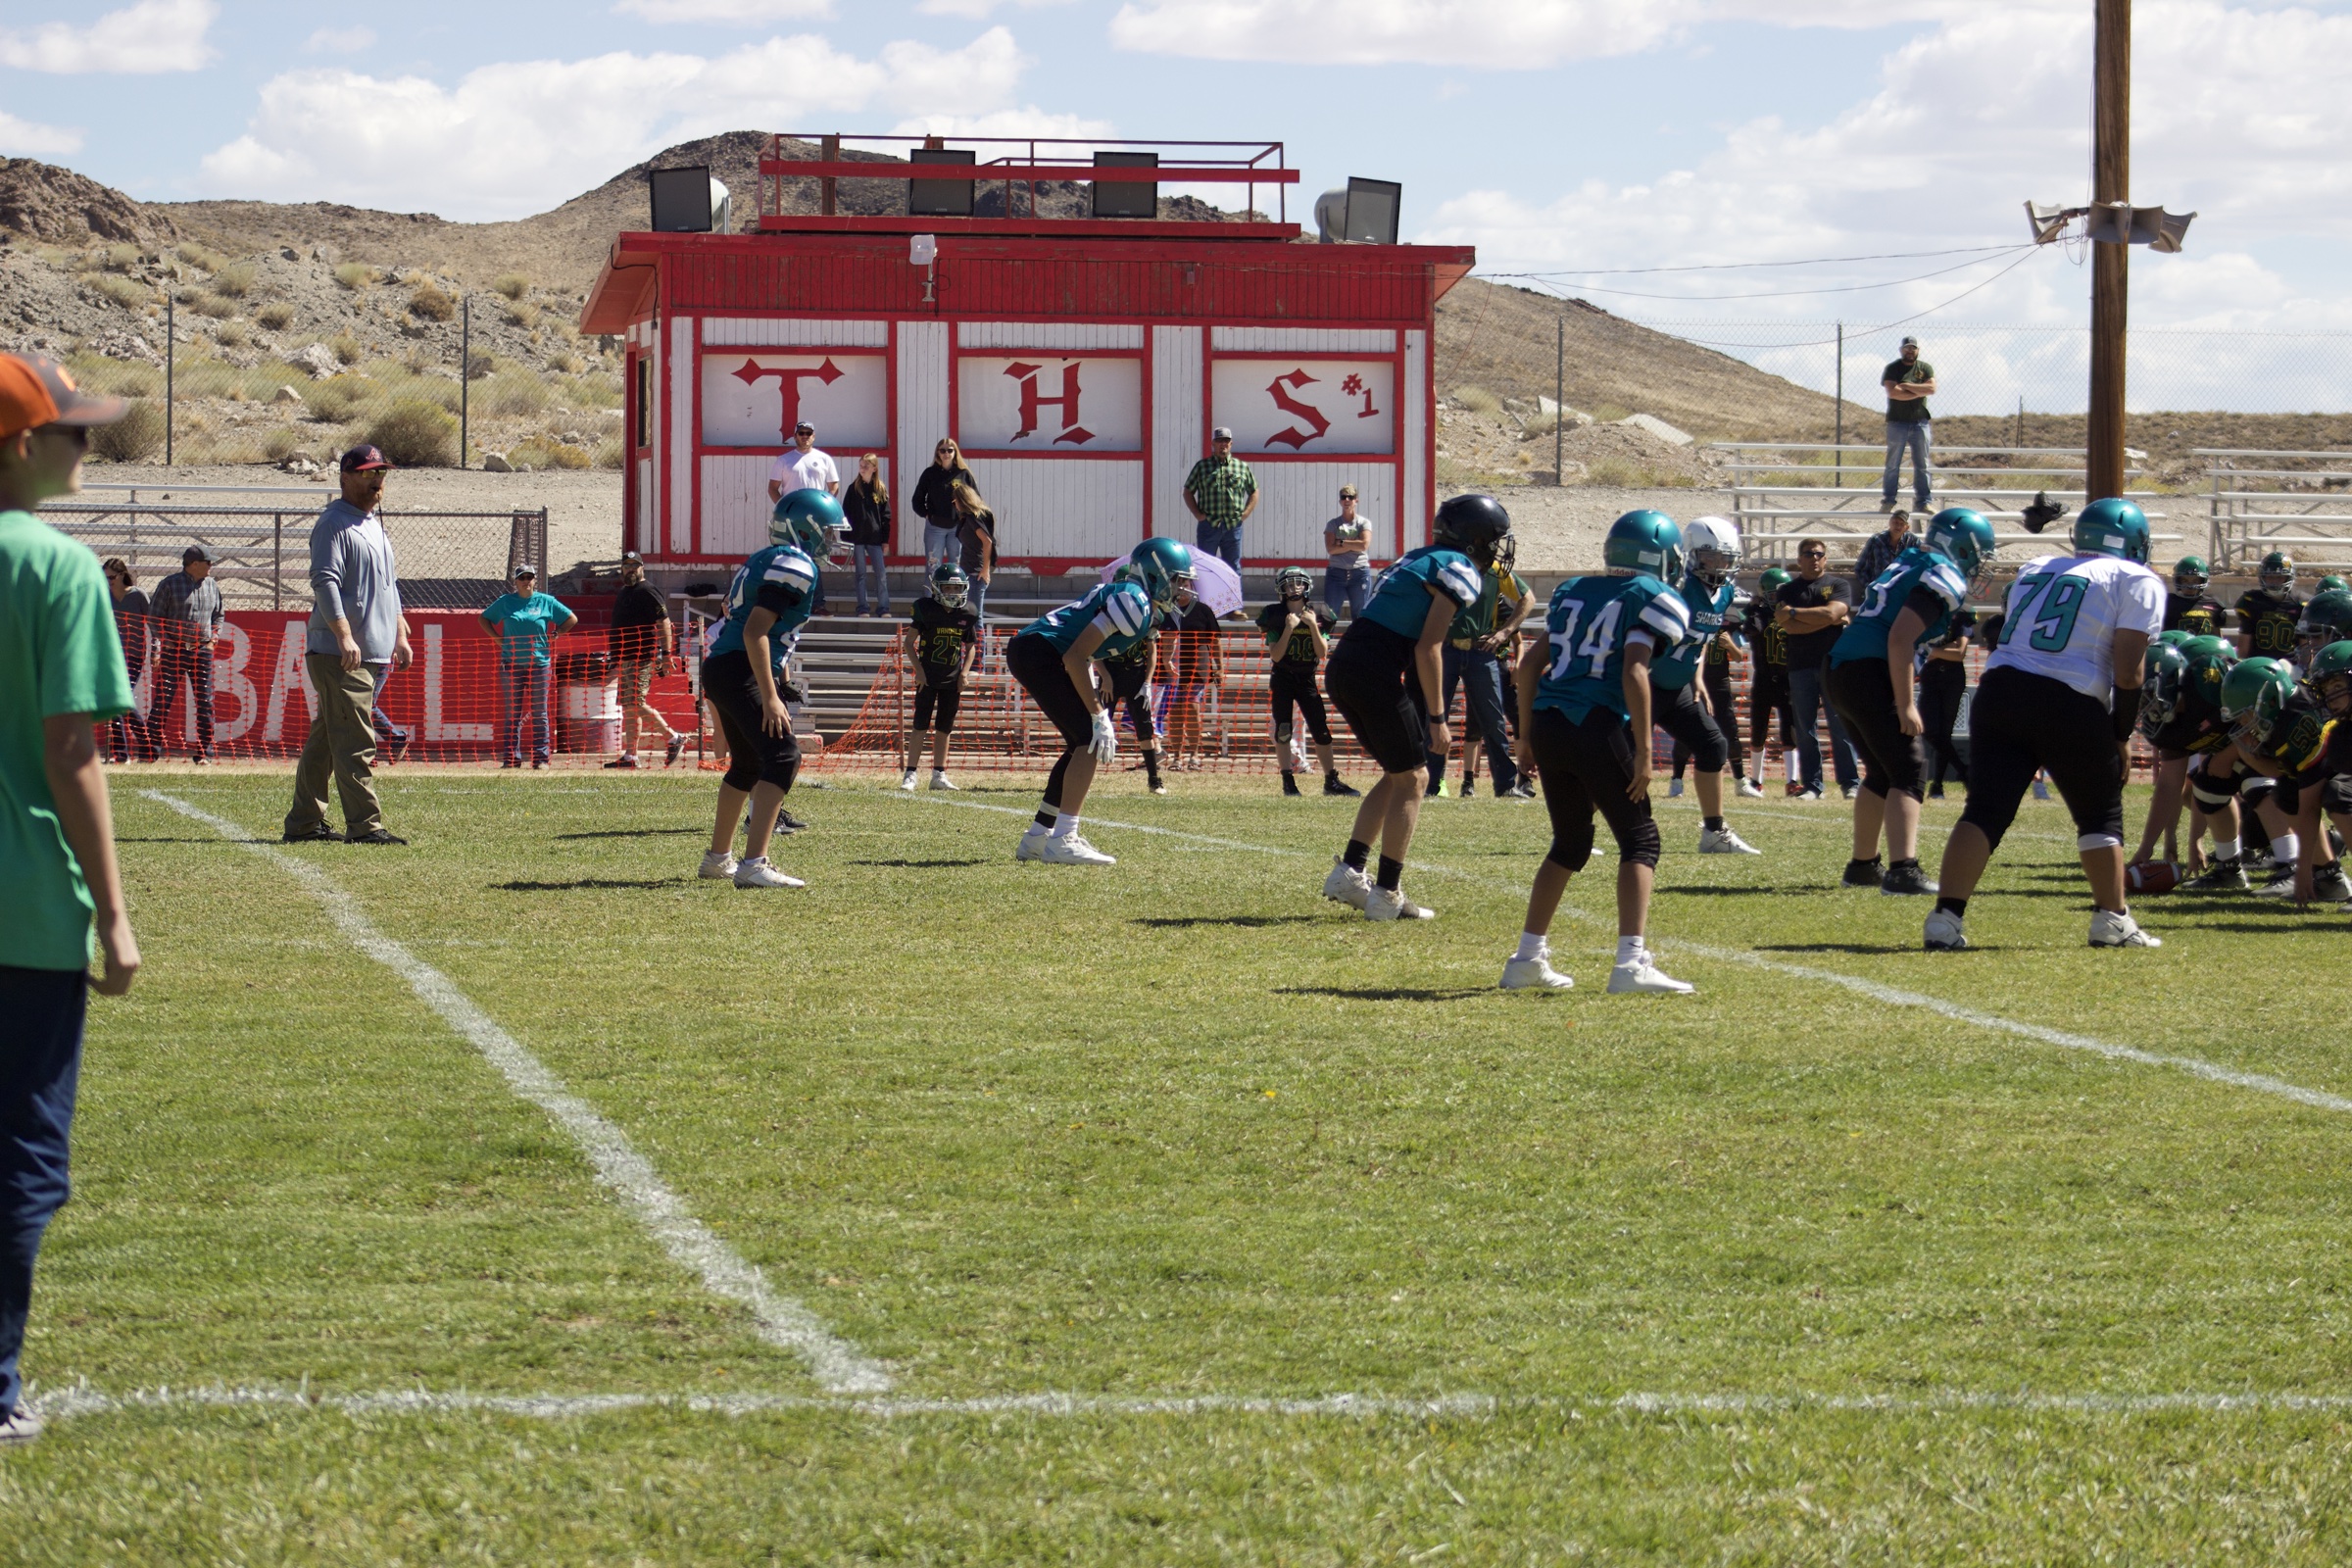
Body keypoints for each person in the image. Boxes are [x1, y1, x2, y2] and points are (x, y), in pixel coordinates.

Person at [0, 353, 140, 1446]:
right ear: (19, 446)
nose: (88, 447)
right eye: (75, 431)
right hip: (27, 912)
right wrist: (117, 914)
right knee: (21, 1159)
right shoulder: (56, 569)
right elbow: (70, 750)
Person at [1924, 498, 2166, 952]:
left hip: (2000, 689)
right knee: (2098, 815)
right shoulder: (2136, 578)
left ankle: (1944, 918)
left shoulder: (2037, 566)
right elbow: (2130, 672)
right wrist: (2120, 734)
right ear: (2133, 543)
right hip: (2068, 698)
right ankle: (2112, 920)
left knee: (1984, 810)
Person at [1498, 509, 1695, 996]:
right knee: (1641, 841)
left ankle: (1526, 959)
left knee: (1569, 845)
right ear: (1659, 558)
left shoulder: (1576, 590)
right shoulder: (1647, 596)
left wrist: (1524, 737)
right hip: (1595, 725)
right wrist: (1646, 751)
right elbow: (1634, 671)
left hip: (1550, 724)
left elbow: (1529, 667)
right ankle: (1631, 964)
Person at [1321, 494, 1509, 921]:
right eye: (1494, 540)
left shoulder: (1418, 557)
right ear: (1476, 539)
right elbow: (1429, 648)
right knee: (1416, 778)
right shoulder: (1459, 568)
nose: (1496, 549)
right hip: (1374, 670)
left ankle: (1349, 872)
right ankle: (1386, 893)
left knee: (1399, 774)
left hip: (1347, 664)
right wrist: (1439, 718)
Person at [1825, 507, 1993, 895]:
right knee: (1909, 769)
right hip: (1870, 668)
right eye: (1978, 554)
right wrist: (1905, 705)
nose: (1979, 564)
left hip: (1840, 665)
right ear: (1962, 548)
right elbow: (1900, 639)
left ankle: (1863, 866)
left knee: (1882, 771)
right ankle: (1903, 870)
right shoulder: (1942, 574)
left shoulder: (1912, 559)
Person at [1006, 539, 1194, 866]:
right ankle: (1063, 838)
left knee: (1079, 745)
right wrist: (1097, 714)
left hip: (1039, 651)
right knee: (1088, 740)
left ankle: (1038, 836)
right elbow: (1076, 656)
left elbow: (1081, 653)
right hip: (1040, 652)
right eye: (1177, 579)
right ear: (1156, 575)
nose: (1183, 588)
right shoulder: (1134, 601)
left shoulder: (1139, 602)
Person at [700, 492, 835, 889]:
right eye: (827, 531)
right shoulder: (796, 563)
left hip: (722, 665)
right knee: (783, 756)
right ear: (805, 530)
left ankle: (717, 859)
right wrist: (771, 695)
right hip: (740, 666)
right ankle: (754, 863)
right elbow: (755, 630)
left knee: (747, 765)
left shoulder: (766, 557)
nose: (832, 541)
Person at [284, 445, 411, 846]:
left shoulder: (374, 524)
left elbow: (389, 586)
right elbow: (324, 581)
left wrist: (400, 633)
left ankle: (304, 823)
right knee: (356, 742)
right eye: (368, 473)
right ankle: (365, 826)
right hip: (340, 654)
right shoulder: (333, 524)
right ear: (345, 477)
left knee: (325, 743)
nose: (377, 480)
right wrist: (343, 635)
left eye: (381, 473)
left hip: (369, 652)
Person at [1644, 515, 1760, 855]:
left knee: (1712, 745)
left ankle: (1713, 832)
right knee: (1618, 758)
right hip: (1644, 683)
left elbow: (1702, 639)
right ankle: (1578, 829)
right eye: (1711, 557)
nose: (1719, 565)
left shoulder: (1724, 593)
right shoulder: (1675, 588)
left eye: (1725, 558)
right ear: (1692, 554)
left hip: (1677, 687)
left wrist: (1696, 677)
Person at [2215, 655, 2352, 907]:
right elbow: (2288, 775)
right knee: (2287, 794)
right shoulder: (2284, 715)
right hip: (2336, 762)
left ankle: (2322, 871)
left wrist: (2302, 868)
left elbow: (2309, 806)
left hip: (2339, 766)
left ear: (2268, 700)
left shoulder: (2298, 721)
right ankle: (2329, 876)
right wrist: (2251, 758)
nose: (2243, 723)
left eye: (2246, 714)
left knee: (2339, 795)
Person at [2133, 635, 2241, 882]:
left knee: (2259, 787)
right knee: (2208, 787)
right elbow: (2170, 785)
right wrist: (2147, 847)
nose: (2144, 705)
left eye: (2148, 695)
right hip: (2233, 752)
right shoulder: (2169, 725)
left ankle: (2289, 862)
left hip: (2261, 748)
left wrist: (2195, 841)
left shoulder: (2207, 689)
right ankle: (2231, 865)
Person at [1435, 533, 1534, 801]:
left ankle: (1506, 785)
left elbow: (1527, 598)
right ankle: (1432, 783)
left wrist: (1504, 632)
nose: (1497, 548)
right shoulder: (1447, 566)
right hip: (1445, 648)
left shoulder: (1496, 570)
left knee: (1494, 721)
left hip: (1482, 651)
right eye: (1491, 541)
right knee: (1435, 716)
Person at [1257, 565, 1356, 798]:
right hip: (1283, 677)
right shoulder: (1275, 615)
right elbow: (1276, 656)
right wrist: (1289, 629)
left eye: (1298, 583)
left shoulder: (1319, 614)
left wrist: (1312, 625)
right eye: (1289, 584)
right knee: (1283, 730)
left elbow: (1322, 653)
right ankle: (1288, 781)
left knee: (1321, 730)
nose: (1294, 588)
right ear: (1282, 589)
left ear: (1306, 586)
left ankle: (1331, 781)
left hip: (1306, 679)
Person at [1774, 538, 1858, 799]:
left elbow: (1832, 613)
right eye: (1809, 554)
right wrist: (1827, 618)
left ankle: (1850, 783)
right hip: (1799, 666)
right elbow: (1789, 627)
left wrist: (1795, 613)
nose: (1814, 558)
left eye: (1819, 554)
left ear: (1826, 558)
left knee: (1840, 725)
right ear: (1799, 559)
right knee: (1805, 729)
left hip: (1833, 666)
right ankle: (1812, 785)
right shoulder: (1786, 590)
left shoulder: (1838, 585)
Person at [480, 565, 577, 769]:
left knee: (540, 713)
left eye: (529, 577)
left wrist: (557, 633)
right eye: (522, 578)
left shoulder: (546, 601)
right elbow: (484, 618)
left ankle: (541, 759)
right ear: (515, 581)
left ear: (534, 580)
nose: (526, 581)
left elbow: (571, 619)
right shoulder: (506, 602)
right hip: (512, 664)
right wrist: (498, 639)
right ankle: (511, 759)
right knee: (512, 714)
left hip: (539, 665)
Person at [901, 563, 980, 791]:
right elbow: (908, 643)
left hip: (952, 678)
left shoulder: (967, 612)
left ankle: (938, 775)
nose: (953, 593)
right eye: (948, 588)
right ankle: (910, 774)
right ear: (937, 588)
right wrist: (919, 671)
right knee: (920, 725)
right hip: (928, 677)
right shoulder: (926, 609)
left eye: (956, 588)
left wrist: (964, 673)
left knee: (944, 728)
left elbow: (971, 647)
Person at [143, 543, 223, 763]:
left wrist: (213, 638)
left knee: (205, 702)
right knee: (163, 701)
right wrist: (167, 642)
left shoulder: (212, 585)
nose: (211, 566)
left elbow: (219, 615)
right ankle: (150, 752)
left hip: (202, 650)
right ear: (194, 564)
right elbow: (154, 618)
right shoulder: (169, 584)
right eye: (208, 562)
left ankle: (204, 753)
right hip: (175, 650)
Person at [606, 551, 684, 770]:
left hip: (641, 657)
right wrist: (615, 657)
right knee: (629, 707)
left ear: (642, 568)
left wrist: (667, 654)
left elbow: (664, 621)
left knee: (636, 703)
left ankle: (673, 737)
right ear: (622, 569)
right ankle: (631, 756)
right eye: (627, 566)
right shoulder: (625, 591)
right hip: (624, 658)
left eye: (635, 565)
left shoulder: (648, 590)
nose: (631, 569)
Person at [768, 420, 840, 614]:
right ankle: (787, 603)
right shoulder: (784, 460)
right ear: (795, 436)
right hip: (791, 520)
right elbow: (773, 488)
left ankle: (817, 604)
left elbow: (834, 486)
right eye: (801, 433)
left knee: (814, 560)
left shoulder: (824, 459)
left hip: (816, 521)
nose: (805, 436)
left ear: (814, 436)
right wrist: (784, 509)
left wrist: (825, 510)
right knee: (788, 559)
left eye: (808, 433)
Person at [1159, 573, 1223, 769]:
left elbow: (1214, 640)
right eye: (1176, 583)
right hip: (1172, 669)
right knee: (1175, 712)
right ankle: (1177, 756)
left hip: (1197, 668)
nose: (1181, 587)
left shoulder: (1203, 610)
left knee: (1192, 709)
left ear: (1191, 585)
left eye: (1184, 583)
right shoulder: (1166, 610)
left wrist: (1219, 667)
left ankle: (1194, 754)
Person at [1742, 565, 1794, 794]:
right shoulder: (1759, 615)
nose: (1778, 599)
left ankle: (1792, 780)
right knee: (1758, 730)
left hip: (1787, 678)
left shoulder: (1794, 612)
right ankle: (1756, 779)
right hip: (1764, 678)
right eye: (1774, 595)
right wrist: (1752, 608)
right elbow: (1751, 628)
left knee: (1790, 731)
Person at [1918, 603, 1977, 799]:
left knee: (1945, 733)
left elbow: (1959, 652)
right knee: (1930, 731)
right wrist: (1941, 649)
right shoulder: (1925, 611)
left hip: (1952, 679)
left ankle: (1938, 785)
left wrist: (1932, 650)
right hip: (1930, 677)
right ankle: (1963, 770)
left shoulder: (1960, 615)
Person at [99, 558, 153, 764]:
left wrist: (156, 648)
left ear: (122, 575)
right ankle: (123, 753)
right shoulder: (105, 595)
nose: (108, 581)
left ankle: (144, 747)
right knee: (118, 702)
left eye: (112, 577)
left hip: (135, 655)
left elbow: (155, 623)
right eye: (105, 578)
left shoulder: (138, 595)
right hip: (113, 656)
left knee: (120, 699)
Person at [1183, 426, 1257, 569]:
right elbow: (1188, 491)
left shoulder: (1241, 467)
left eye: (1226, 441)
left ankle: (1233, 586)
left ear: (1231, 444)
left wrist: (1245, 514)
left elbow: (1254, 491)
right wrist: (1198, 515)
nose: (1223, 444)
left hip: (1233, 526)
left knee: (1232, 568)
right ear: (1213, 443)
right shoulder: (1202, 467)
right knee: (1204, 566)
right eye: (1219, 440)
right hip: (1209, 525)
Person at [1881, 334, 1935, 513]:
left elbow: (1931, 388)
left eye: (1913, 348)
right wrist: (1919, 391)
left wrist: (1906, 386)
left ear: (1917, 350)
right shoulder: (1893, 368)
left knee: (1922, 465)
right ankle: (1889, 500)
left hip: (1920, 423)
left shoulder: (1925, 368)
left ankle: (1924, 502)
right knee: (1893, 464)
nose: (1910, 351)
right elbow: (1893, 392)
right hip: (1897, 423)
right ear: (1901, 350)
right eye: (1907, 348)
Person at [910, 437, 972, 571]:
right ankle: (933, 587)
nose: (946, 453)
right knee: (933, 567)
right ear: (938, 453)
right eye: (942, 450)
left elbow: (974, 499)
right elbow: (917, 500)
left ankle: (955, 587)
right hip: (935, 527)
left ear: (955, 452)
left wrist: (967, 518)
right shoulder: (930, 473)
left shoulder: (963, 474)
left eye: (950, 450)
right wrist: (927, 515)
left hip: (957, 528)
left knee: (956, 567)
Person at [843, 453, 892, 617]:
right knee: (861, 574)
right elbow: (845, 514)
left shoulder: (880, 489)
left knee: (881, 573)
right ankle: (863, 607)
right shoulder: (853, 488)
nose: (862, 469)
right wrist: (845, 539)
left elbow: (886, 516)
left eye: (866, 466)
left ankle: (883, 607)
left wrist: (885, 540)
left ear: (874, 468)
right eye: (861, 466)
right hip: (857, 537)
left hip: (875, 538)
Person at [2236, 552, 2302, 662]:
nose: (2274, 582)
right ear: (2262, 577)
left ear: (2289, 578)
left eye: (2279, 577)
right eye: (2270, 577)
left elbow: (2304, 645)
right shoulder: (2252, 601)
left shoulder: (2301, 604)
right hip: (2257, 663)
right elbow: (2244, 644)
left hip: (2290, 665)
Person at [1324, 485, 1375, 620]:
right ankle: (1328, 635)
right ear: (1340, 501)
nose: (1347, 500)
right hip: (1336, 573)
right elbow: (1330, 549)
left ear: (1356, 500)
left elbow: (1364, 545)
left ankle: (1358, 635)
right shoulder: (1333, 524)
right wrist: (1353, 544)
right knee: (1330, 614)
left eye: (1350, 497)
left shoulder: (1363, 523)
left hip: (1359, 572)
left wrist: (1341, 542)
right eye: (1343, 497)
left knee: (1360, 615)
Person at [953, 480, 996, 635]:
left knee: (975, 619)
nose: (954, 504)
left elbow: (987, 541)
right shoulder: (966, 519)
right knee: (967, 617)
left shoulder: (972, 518)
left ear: (962, 500)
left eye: (955, 501)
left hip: (975, 573)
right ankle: (972, 650)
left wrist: (985, 569)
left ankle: (979, 652)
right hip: (968, 571)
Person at [2165, 556, 2226, 638]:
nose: (2190, 585)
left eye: (2195, 580)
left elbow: (2218, 637)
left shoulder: (2214, 604)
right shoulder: (2168, 603)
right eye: (2184, 580)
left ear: (2203, 580)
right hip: (2176, 645)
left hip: (2204, 646)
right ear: (2178, 580)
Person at [1854, 508, 1912, 591]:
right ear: (1890, 522)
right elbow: (1860, 567)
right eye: (1895, 522)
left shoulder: (1912, 541)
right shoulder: (1876, 540)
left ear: (1907, 528)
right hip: (1878, 588)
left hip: (1902, 590)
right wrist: (1870, 587)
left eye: (1902, 524)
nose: (1898, 526)